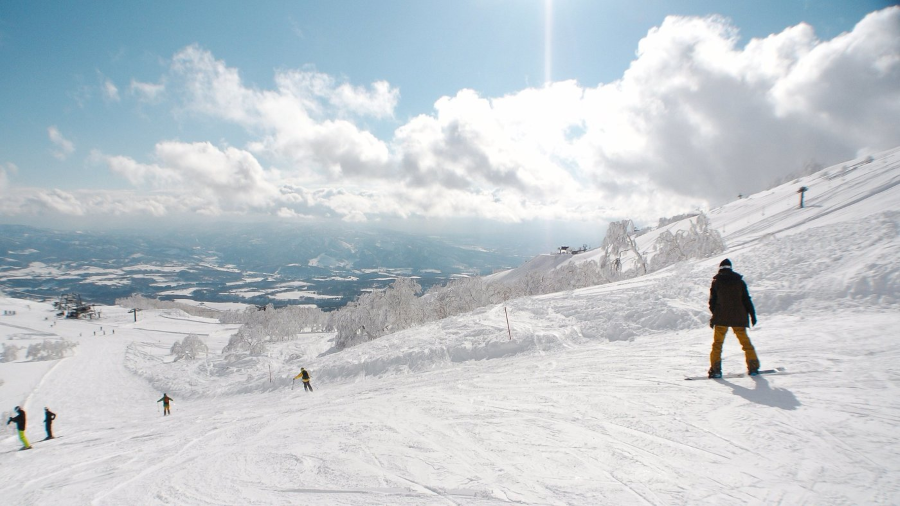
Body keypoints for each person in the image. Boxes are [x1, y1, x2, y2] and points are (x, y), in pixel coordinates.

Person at [708, 258, 760, 378]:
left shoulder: (716, 282)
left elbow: (712, 302)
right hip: (739, 318)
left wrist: (715, 315)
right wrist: (752, 315)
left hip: (721, 318)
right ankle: (753, 367)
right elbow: (746, 299)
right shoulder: (739, 282)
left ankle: (716, 370)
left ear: (720, 269)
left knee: (717, 344)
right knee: (746, 343)